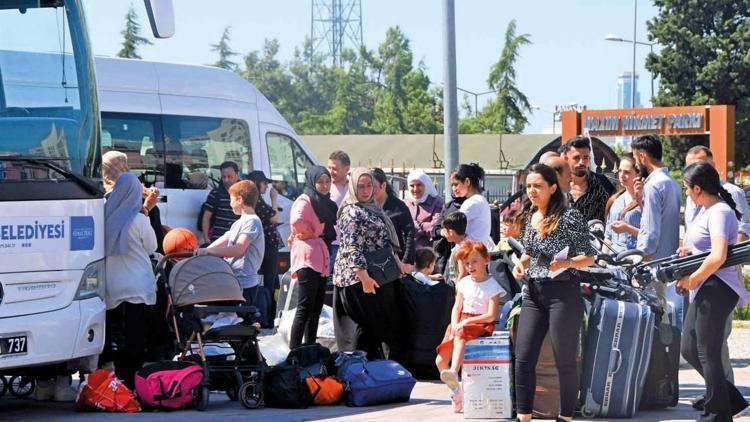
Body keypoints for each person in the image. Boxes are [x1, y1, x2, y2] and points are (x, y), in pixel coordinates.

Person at [511, 163, 597, 422]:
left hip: (563, 294)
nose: (532, 191)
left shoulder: (569, 217)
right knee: (524, 358)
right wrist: (520, 264)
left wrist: (567, 263)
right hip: (534, 293)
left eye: (537, 186)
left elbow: (589, 257)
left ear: (552, 187)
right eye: (528, 186)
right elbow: (528, 252)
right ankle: (524, 417)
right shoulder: (531, 216)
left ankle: (566, 416)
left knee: (565, 360)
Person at [678, 162, 750, 421]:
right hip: (707, 286)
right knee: (689, 348)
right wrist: (689, 255)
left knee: (706, 352)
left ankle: (717, 414)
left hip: (718, 287)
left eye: (686, 188)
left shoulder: (719, 211)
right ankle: (731, 400)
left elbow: (719, 255)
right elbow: (706, 249)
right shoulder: (706, 210)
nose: (685, 193)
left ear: (698, 189)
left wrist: (693, 279)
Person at [332, 167, 405, 361]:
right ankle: (359, 374)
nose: (365, 190)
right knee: (360, 332)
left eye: (369, 185)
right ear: (353, 187)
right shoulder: (351, 212)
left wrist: (397, 263)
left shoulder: (372, 207)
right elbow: (351, 247)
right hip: (357, 280)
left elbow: (385, 240)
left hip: (378, 274)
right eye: (361, 186)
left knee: (379, 328)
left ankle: (379, 373)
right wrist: (363, 277)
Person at [104, 173, 158, 389]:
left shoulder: (104, 218)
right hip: (138, 284)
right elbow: (152, 247)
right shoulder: (139, 220)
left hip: (112, 285)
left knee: (117, 336)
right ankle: (133, 382)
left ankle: (119, 379)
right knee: (135, 335)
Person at [435, 241, 505, 410]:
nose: (470, 266)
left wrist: (465, 322)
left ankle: (454, 371)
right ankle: (456, 391)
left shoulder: (493, 286)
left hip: (480, 323)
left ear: (486, 260)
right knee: (439, 361)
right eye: (466, 263)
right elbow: (457, 307)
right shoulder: (464, 283)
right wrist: (454, 323)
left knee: (460, 335)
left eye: (474, 261)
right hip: (460, 321)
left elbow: (490, 315)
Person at [287, 166, 337, 348]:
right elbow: (296, 220)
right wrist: (313, 232)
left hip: (320, 255)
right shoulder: (306, 199)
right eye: (320, 182)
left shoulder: (324, 202)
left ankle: (309, 348)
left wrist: (314, 233)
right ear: (311, 182)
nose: (324, 186)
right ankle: (294, 351)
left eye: (327, 182)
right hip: (307, 257)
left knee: (316, 308)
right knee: (304, 307)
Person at [633, 135, 681, 317]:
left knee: (653, 316)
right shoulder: (672, 183)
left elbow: (650, 229)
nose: (636, 163)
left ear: (643, 156)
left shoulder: (653, 185)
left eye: (635, 157)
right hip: (669, 260)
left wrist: (640, 258)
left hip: (653, 263)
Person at [196, 180, 265, 306]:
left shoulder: (252, 221)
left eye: (231, 200)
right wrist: (202, 253)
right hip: (233, 280)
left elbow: (238, 249)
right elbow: (226, 239)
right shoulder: (238, 223)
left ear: (239, 199)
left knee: (239, 322)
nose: (230, 204)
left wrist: (208, 251)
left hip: (245, 284)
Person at [102, 150, 163, 252]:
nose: (129, 169)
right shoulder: (128, 199)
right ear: (122, 169)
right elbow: (152, 247)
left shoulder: (98, 196)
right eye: (126, 166)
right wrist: (147, 208)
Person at [246, 170, 282, 327]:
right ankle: (268, 314)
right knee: (270, 279)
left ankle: (271, 312)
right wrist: (274, 199)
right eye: (264, 183)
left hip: (267, 244)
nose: (267, 186)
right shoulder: (258, 202)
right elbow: (274, 218)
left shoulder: (257, 201)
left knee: (273, 280)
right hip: (268, 245)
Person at [372, 168, 417, 272]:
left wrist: (406, 261)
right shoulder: (367, 207)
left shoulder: (398, 207)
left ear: (383, 185)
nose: (369, 190)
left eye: (372, 186)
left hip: (396, 262)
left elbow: (410, 234)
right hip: (372, 262)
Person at [561, 136, 613, 222]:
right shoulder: (557, 186)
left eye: (585, 158)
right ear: (566, 159)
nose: (581, 162)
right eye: (576, 158)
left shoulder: (602, 183)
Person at [604, 154, 642, 252]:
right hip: (613, 262)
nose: (621, 175)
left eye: (627, 172)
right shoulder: (615, 200)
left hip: (637, 260)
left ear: (638, 174)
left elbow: (651, 236)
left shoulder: (646, 202)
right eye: (620, 170)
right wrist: (602, 262)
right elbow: (608, 237)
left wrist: (628, 229)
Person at [451, 163, 494, 249]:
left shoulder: (472, 202)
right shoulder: (481, 200)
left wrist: (442, 231)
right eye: (452, 185)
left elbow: (451, 225)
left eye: (456, 184)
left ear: (467, 181)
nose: (453, 189)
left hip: (469, 253)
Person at [201, 161, 241, 245]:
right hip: (218, 241)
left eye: (229, 177)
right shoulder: (215, 194)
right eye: (224, 177)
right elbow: (206, 217)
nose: (226, 180)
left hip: (237, 241)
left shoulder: (244, 193)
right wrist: (206, 237)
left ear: (237, 175)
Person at [405, 169, 444, 248]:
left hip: (428, 253)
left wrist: (413, 225)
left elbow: (434, 228)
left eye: (419, 185)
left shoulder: (437, 204)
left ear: (426, 185)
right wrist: (424, 226)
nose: (415, 189)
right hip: (407, 252)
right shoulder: (405, 203)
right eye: (412, 186)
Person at [328, 150, 351, 271]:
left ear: (347, 169)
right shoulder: (325, 187)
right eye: (329, 167)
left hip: (350, 245)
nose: (331, 172)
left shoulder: (355, 187)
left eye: (335, 168)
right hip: (330, 245)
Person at [441, 211, 469, 283]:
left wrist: (457, 291)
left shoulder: (461, 249)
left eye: (444, 230)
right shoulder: (463, 244)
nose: (443, 233)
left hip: (459, 288)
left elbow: (463, 274)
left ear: (451, 232)